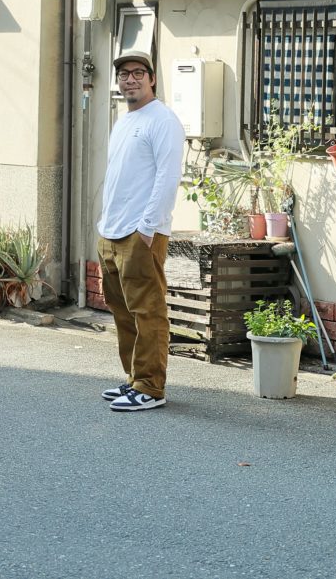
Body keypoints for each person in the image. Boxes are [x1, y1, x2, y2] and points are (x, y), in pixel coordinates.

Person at [96, 49, 185, 412]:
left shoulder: (162, 120)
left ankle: (150, 386)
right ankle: (135, 379)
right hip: (112, 230)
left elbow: (167, 176)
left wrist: (148, 227)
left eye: (137, 73)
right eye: (123, 74)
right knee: (122, 310)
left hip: (140, 232)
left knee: (148, 310)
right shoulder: (124, 121)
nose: (129, 79)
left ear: (151, 79)